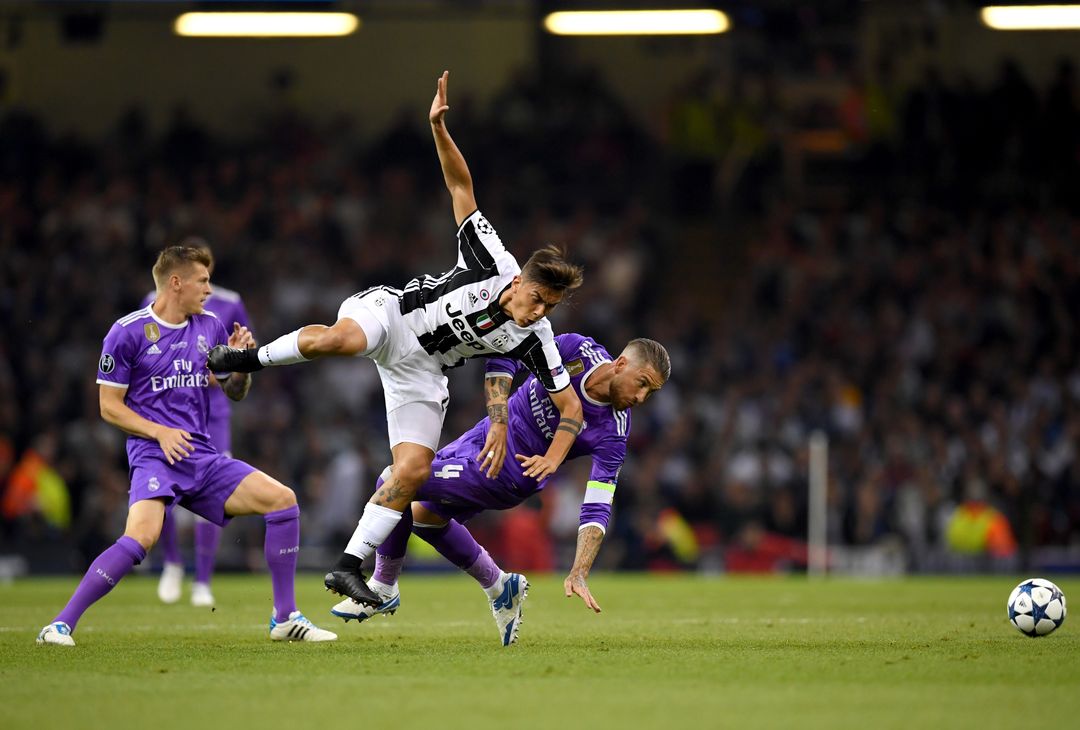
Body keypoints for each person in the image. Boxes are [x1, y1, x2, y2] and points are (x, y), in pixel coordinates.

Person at [209, 71, 586, 607]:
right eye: (539, 299)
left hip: (422, 371)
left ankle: (348, 567)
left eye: (550, 307)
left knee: (411, 470)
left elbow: (568, 402)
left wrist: (555, 454)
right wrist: (437, 128)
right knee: (337, 341)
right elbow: (461, 188)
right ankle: (243, 357)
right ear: (522, 280)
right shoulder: (490, 259)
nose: (540, 312)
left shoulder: (536, 336)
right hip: (393, 314)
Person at [37, 245, 336, 646]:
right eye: (203, 280)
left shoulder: (210, 326)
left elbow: (233, 392)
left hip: (201, 454)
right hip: (154, 454)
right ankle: (60, 624)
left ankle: (285, 617)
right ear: (176, 283)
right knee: (141, 538)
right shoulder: (126, 332)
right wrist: (159, 432)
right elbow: (109, 408)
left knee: (282, 500)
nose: (210, 290)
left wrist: (241, 363)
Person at [330, 334, 670, 646]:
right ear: (622, 364)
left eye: (650, 393)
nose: (641, 398)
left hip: (505, 472)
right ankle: (499, 586)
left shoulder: (613, 432)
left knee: (394, 481)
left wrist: (579, 571)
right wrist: (499, 412)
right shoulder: (575, 349)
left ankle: (384, 583)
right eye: (642, 384)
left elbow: (597, 509)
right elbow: (509, 354)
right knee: (423, 518)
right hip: (485, 436)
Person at [140, 238, 252, 608]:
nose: (204, 285)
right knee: (163, 492)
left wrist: (221, 370)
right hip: (166, 414)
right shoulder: (150, 304)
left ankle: (203, 580)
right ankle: (172, 562)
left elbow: (243, 354)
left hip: (212, 414)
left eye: (207, 274)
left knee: (212, 491)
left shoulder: (227, 303)